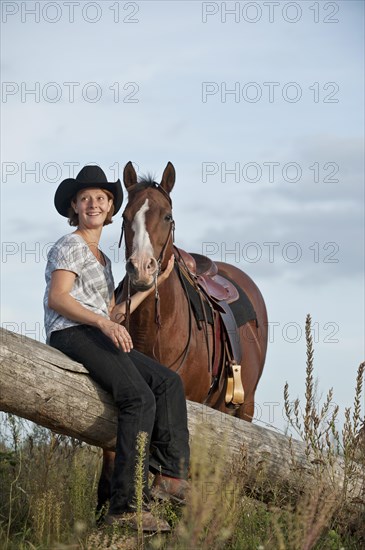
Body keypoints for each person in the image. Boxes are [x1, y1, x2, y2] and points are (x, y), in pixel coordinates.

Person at [44, 165, 190, 532]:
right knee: (138, 398)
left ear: (110, 209)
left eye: (101, 198)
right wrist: (103, 324)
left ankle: (171, 477)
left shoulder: (105, 261)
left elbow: (113, 311)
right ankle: (125, 506)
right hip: (73, 333)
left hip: (97, 330)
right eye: (85, 198)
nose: (94, 204)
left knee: (168, 382)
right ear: (74, 207)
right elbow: (58, 299)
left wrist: (155, 283)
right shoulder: (69, 245)